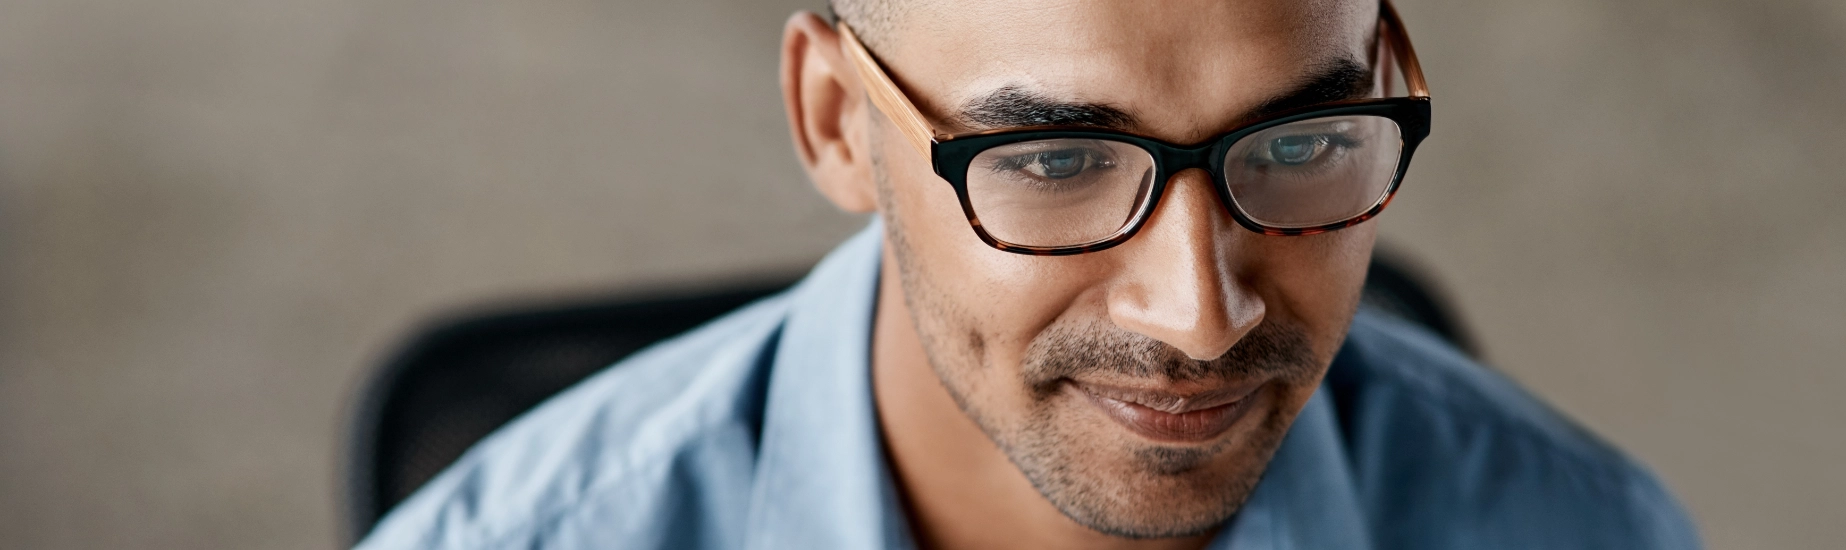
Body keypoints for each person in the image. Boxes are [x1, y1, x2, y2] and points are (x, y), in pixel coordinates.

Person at [356, 0, 1699, 548]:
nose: (1202, 315)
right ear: (834, 120)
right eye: (1057, 160)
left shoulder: (1581, 531)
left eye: (1300, 143)